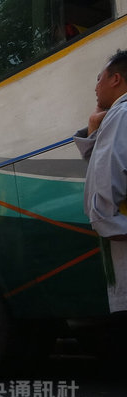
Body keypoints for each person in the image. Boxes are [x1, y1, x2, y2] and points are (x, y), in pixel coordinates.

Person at [73, 49, 127, 312]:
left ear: (116, 79)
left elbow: (105, 182)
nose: (95, 87)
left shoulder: (121, 114)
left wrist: (107, 224)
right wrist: (95, 123)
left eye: (99, 78)